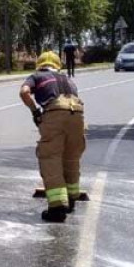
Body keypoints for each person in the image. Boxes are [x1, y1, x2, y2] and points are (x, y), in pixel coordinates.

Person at [19, 50, 86, 222]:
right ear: (58, 65)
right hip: (77, 114)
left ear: (39, 65)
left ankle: (57, 208)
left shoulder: (36, 76)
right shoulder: (68, 79)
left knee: (51, 158)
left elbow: (24, 92)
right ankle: (71, 200)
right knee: (71, 157)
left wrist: (35, 112)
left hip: (55, 113)